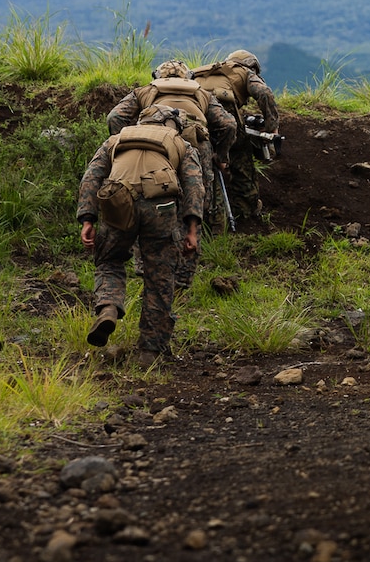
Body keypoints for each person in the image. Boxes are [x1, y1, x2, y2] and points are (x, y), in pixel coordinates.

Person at [76, 106, 205, 366]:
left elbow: (91, 177)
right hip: (161, 207)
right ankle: (150, 351)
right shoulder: (180, 144)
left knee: (109, 259)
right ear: (172, 124)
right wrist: (192, 231)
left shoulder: (116, 139)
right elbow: (194, 187)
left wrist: (87, 219)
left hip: (118, 201)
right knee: (159, 276)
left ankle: (109, 307)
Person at [106, 60, 235, 289]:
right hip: (195, 147)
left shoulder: (146, 91)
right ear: (189, 77)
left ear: (156, 76)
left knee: (149, 197)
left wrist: (125, 143)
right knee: (194, 204)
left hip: (156, 148)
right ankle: (184, 276)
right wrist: (221, 156)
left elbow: (114, 118)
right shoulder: (202, 93)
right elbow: (228, 125)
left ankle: (145, 266)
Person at [192, 50, 279, 223]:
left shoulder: (202, 71)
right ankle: (246, 209)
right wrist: (272, 128)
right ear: (251, 65)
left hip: (194, 114)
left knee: (201, 160)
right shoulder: (245, 72)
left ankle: (206, 214)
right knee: (240, 153)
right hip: (223, 114)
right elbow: (264, 94)